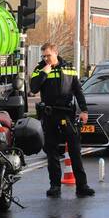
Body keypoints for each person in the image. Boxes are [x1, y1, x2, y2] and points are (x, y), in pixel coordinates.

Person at [29, 42, 95, 199]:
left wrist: (84, 110)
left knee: (75, 150)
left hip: (66, 114)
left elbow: (78, 91)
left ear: (56, 53)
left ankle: (82, 186)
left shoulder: (69, 68)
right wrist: (44, 73)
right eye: (43, 56)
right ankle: (55, 186)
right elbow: (33, 88)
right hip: (49, 115)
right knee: (51, 152)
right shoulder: (39, 69)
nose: (46, 59)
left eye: (48, 55)